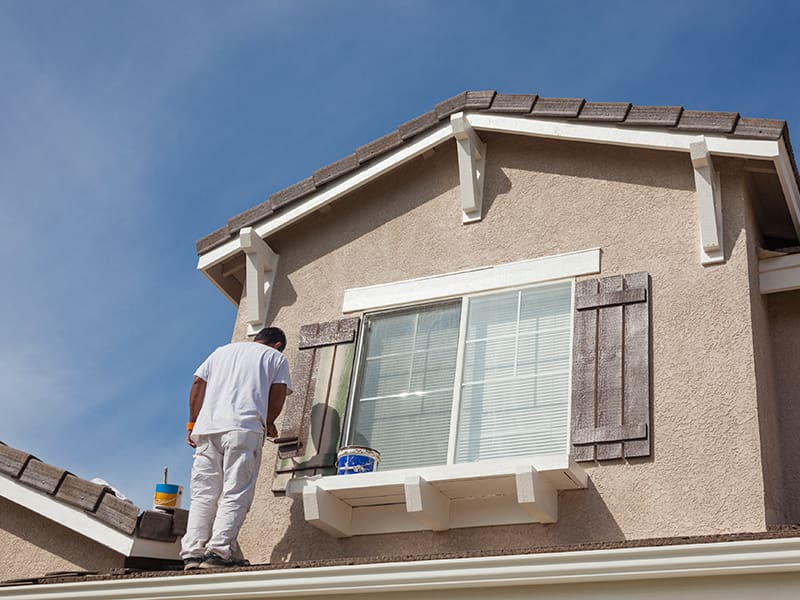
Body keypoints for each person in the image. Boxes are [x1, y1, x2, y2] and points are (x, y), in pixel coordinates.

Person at [180, 327, 292, 570]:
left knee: (203, 493)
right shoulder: (275, 357)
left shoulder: (221, 352)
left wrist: (192, 423)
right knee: (236, 490)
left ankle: (192, 554)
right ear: (277, 345)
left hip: (208, 429)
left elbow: (198, 384)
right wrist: (269, 421)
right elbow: (278, 392)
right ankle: (218, 553)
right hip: (244, 428)